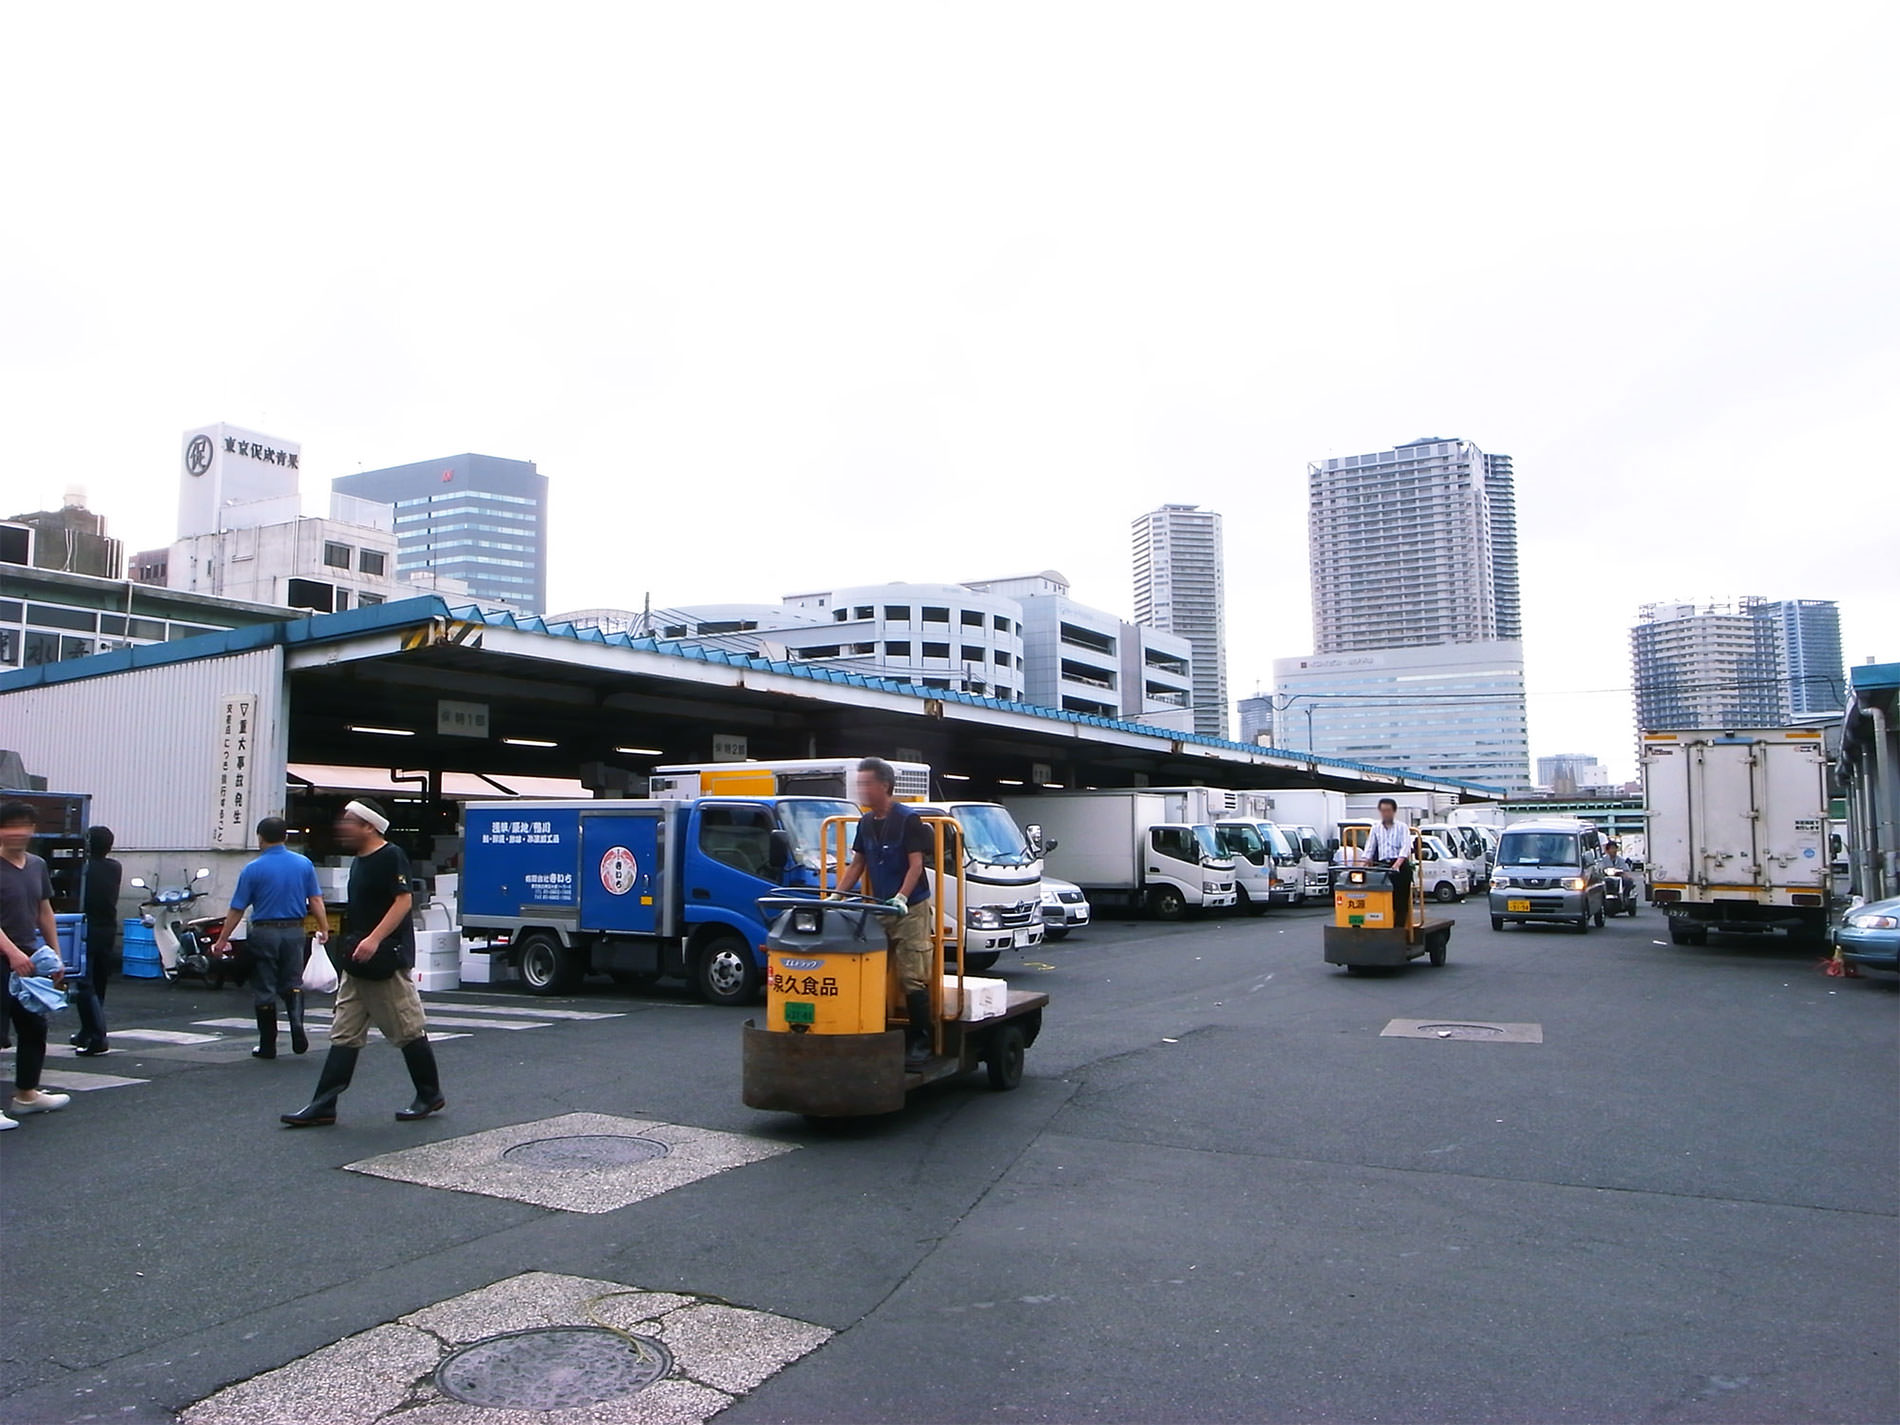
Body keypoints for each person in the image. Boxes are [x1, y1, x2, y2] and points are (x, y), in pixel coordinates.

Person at [281, 799, 443, 1127]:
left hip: (384, 961)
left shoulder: (390, 855)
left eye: (349, 821)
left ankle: (429, 1093)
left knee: (408, 1028)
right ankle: (324, 1104)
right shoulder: (359, 860)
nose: (343, 826)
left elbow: (403, 901)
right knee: (344, 1032)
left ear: (369, 826)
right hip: (358, 962)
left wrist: (375, 939)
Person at [833, 758, 937, 1067]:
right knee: (871, 972)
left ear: (885, 786)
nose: (862, 790)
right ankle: (876, 1035)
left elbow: (916, 865)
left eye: (867, 784)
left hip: (911, 909)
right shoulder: (865, 822)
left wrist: (901, 897)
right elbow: (858, 864)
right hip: (879, 908)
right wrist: (837, 896)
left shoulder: (908, 819)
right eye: (860, 783)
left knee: (911, 976)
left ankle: (922, 1041)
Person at [213, 816, 330, 1060]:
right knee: (293, 981)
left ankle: (268, 1045)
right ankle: (297, 1025)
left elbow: (237, 908)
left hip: (265, 931)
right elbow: (316, 900)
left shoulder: (253, 869)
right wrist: (324, 927)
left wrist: (223, 940)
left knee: (265, 986)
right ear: (286, 837)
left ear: (260, 838)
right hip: (294, 930)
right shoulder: (303, 864)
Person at [0, 801, 74, 1129]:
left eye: (25, 825)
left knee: (34, 1028)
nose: (18, 832)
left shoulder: (37, 865)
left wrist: (54, 954)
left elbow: (45, 910)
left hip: (30, 961)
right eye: (10, 825)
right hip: (6, 960)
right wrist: (12, 953)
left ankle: (26, 1095)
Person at [68, 825, 123, 1056]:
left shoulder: (82, 868)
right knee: (98, 983)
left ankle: (98, 1037)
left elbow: (62, 883)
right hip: (107, 929)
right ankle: (86, 1031)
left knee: (84, 984)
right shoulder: (114, 867)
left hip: (86, 929)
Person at [1366, 798, 1414, 927]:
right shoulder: (1375, 827)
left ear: (1394, 811)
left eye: (1388, 810)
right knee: (1380, 898)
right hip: (1382, 865)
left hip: (1399, 864)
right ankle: (1381, 926)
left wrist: (1397, 864)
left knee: (1400, 900)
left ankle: (1398, 930)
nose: (1385, 813)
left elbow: (1406, 847)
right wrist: (1364, 863)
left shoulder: (1402, 827)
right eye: (1383, 811)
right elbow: (1369, 847)